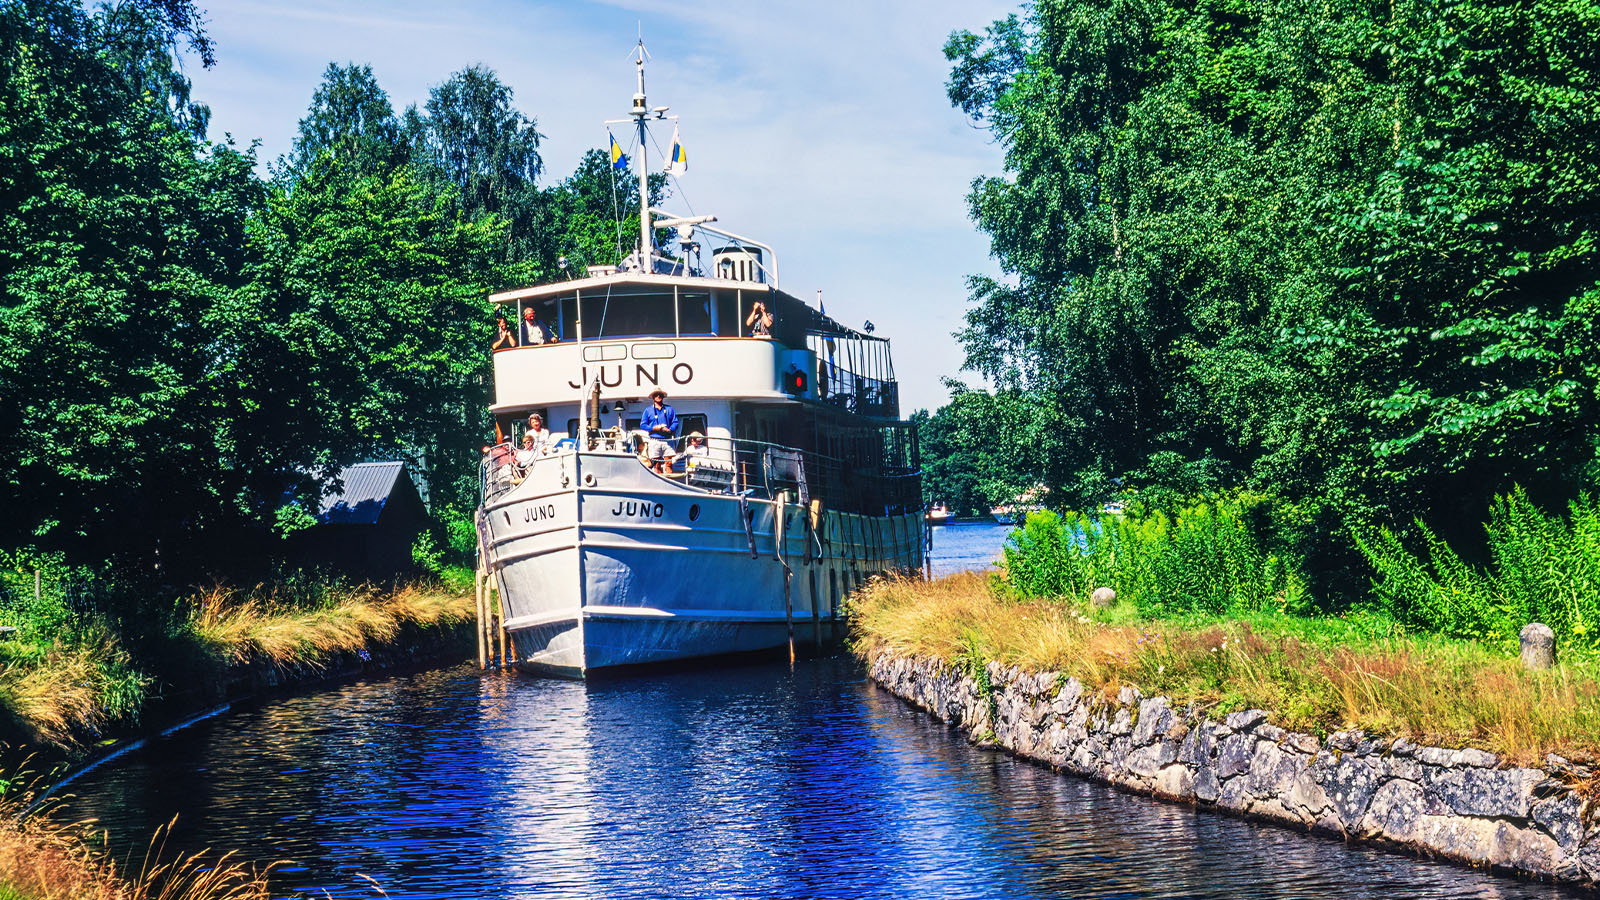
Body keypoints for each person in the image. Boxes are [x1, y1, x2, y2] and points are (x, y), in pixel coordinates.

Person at [639, 388, 679, 473]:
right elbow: (643, 425)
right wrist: (654, 428)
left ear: (663, 396)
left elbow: (675, 422)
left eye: (660, 395)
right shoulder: (648, 410)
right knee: (656, 465)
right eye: (656, 395)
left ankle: (669, 480)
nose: (658, 396)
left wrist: (670, 429)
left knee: (669, 464)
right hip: (654, 440)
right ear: (653, 397)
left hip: (668, 440)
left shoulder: (669, 409)